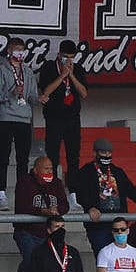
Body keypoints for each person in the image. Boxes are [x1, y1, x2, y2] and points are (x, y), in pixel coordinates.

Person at [73, 137, 136, 256]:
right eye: (103, 152)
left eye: (109, 152)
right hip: (98, 227)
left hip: (119, 226)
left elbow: (132, 191)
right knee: (105, 260)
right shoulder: (86, 172)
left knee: (121, 260)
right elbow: (81, 195)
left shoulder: (117, 171)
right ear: (95, 153)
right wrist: (90, 207)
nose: (107, 155)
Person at [0, 39, 40, 211]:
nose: (20, 52)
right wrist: (10, 93)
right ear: (10, 50)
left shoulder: (28, 72)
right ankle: (1, 194)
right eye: (17, 49)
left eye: (22, 49)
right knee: (3, 157)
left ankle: (22, 193)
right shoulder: (1, 70)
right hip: (6, 117)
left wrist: (39, 99)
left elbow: (32, 96)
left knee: (23, 159)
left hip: (24, 118)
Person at [37, 42, 89, 175]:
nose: (68, 60)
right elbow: (46, 91)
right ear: (59, 54)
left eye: (72, 57)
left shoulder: (77, 69)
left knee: (73, 157)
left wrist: (71, 75)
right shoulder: (48, 67)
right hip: (53, 119)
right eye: (65, 57)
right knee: (52, 157)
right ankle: (52, 188)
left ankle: (73, 192)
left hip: (72, 119)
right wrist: (62, 76)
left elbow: (83, 93)